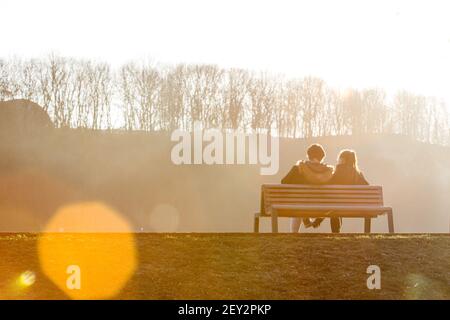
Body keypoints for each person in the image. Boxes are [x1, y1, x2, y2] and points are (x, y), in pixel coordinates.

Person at [281, 144, 333, 232]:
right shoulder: (328, 172)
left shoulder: (298, 168)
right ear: (322, 157)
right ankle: (305, 218)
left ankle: (294, 233)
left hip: (300, 206)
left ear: (308, 156)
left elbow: (283, 182)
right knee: (300, 201)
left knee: (298, 202)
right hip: (322, 208)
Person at [315, 149, 369, 233]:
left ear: (343, 160)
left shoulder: (337, 172)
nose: (338, 160)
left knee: (334, 205)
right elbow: (367, 188)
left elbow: (328, 188)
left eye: (339, 158)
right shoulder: (358, 174)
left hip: (337, 205)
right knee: (335, 205)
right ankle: (320, 220)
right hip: (354, 206)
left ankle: (332, 229)